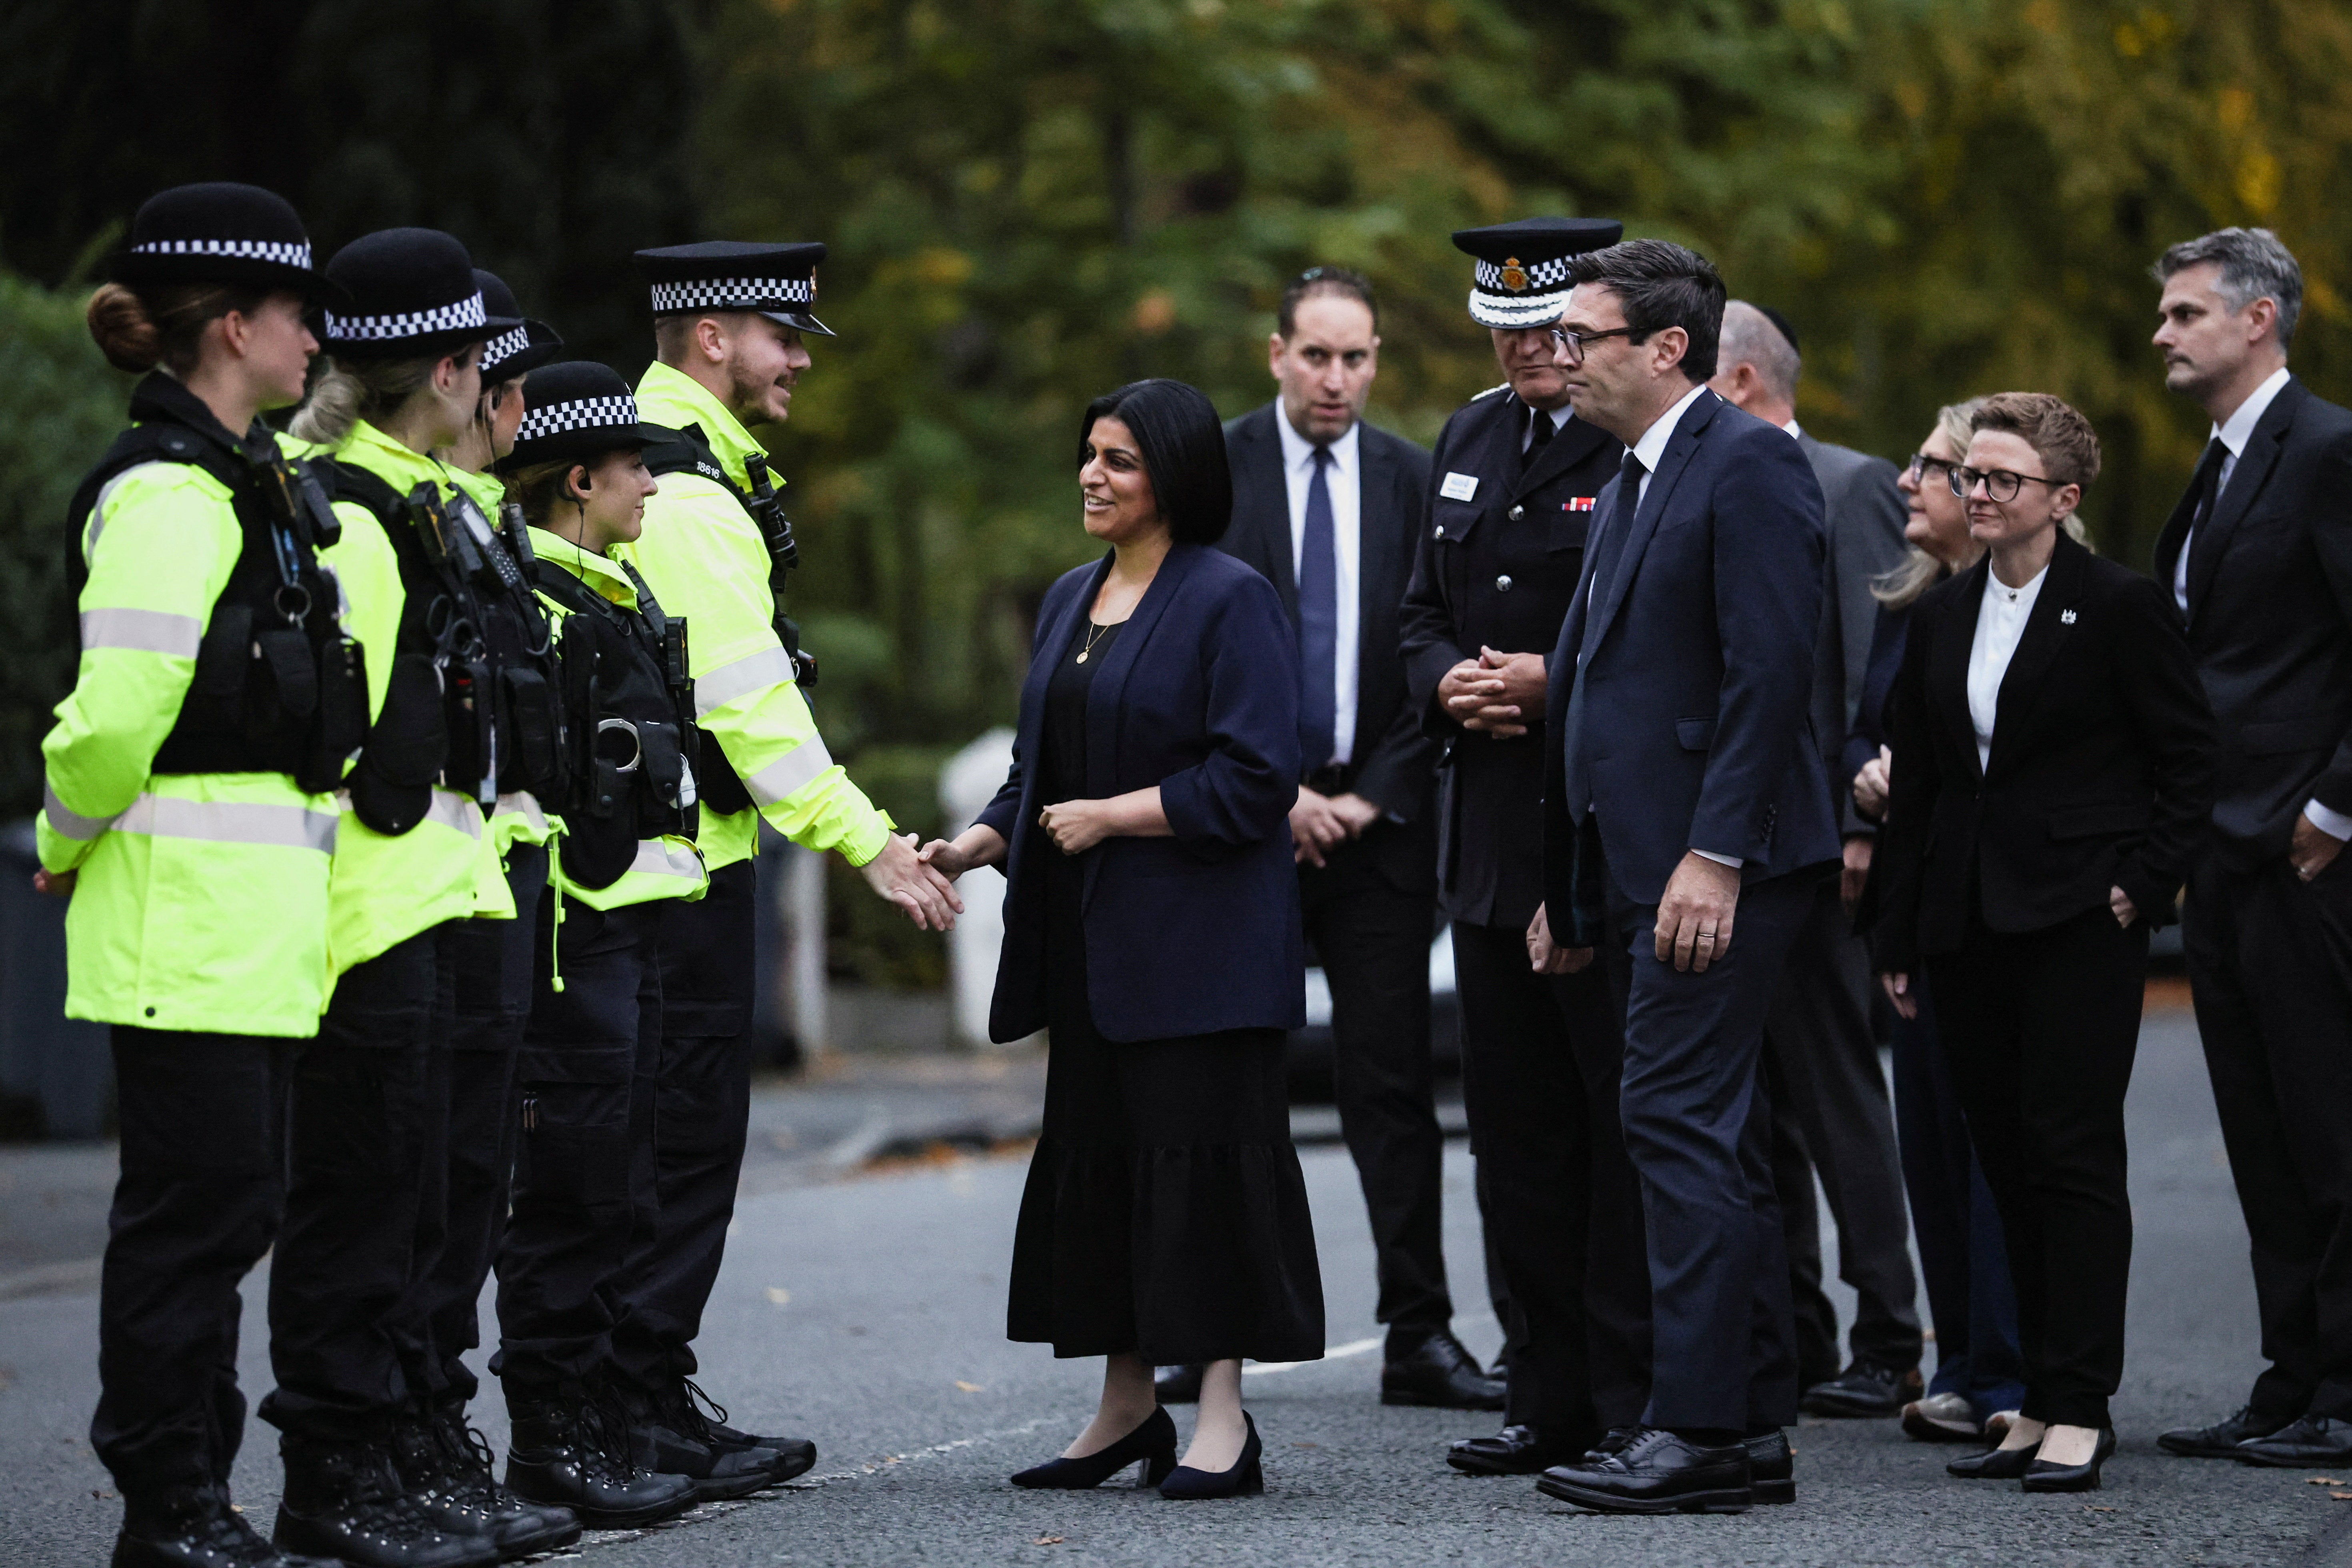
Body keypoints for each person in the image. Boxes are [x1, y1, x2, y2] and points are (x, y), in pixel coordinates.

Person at [920, 378, 1324, 1500]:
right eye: (1089, 453)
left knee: (1201, 1177)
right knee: (1106, 1178)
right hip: (1093, 950)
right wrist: (969, 847)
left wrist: (1117, 817)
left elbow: (1258, 776)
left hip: (1205, 951)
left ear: (1176, 480)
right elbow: (1035, 775)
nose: (1092, 475)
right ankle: (1127, 1408)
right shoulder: (1068, 599)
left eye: (1120, 461)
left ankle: (1225, 1422)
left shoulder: (1230, 599)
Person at [36, 182, 355, 1568]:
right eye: (299, 315)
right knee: (190, 1230)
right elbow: (111, 721)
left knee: (222, 1219)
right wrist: (58, 839)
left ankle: (194, 1503)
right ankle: (170, 1512)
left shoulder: (248, 476)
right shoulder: (168, 492)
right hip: (184, 938)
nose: (315, 340)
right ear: (235, 325)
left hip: (244, 939)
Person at [612, 241, 961, 1481]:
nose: (802, 360)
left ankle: (637, 1403)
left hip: (650, 864)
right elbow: (753, 712)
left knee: (648, 1147)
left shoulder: (653, 461)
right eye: (783, 336)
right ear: (711, 337)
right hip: (680, 875)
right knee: (679, 1147)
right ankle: (633, 1412)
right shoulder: (691, 496)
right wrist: (868, 841)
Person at [268, 227, 559, 1568]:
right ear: (448, 370)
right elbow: (338, 750)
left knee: (432, 1205)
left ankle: (409, 1449)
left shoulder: (421, 498)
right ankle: (343, 1473)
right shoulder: (357, 513)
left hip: (449, 899)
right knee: (366, 1209)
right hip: (371, 917)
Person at [1532, 238, 1834, 1515]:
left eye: (1584, 337)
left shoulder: (1751, 463)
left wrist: (1716, 855)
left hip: (1719, 868)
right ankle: (1752, 1420)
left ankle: (1701, 1431)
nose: (1561, 356)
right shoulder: (1638, 472)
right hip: (1647, 864)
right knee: (1718, 1133)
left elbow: (1772, 678)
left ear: (1666, 349)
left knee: (1677, 1122)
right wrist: (1579, 873)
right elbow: (1610, 683)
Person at [1872, 393, 2215, 1492]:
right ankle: (2023, 1396)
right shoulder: (1941, 615)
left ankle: (2080, 1404)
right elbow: (1920, 788)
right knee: (2004, 1162)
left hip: (2077, 921)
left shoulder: (2119, 608)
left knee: (2071, 1159)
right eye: (1971, 477)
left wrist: (2139, 888)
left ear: (2062, 501)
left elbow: (2189, 760)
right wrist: (1899, 931)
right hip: (1965, 927)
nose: (1978, 495)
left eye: (2002, 481)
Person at [1192, 265, 1491, 1411]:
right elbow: (1185, 644)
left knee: (1391, 1086)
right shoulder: (1215, 471)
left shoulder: (1418, 480)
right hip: (1242, 824)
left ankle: (1419, 1332)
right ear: (1276, 355)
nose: (1336, 378)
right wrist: (1269, 796)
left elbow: (1439, 648)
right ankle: (1208, 1330)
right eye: (1316, 355)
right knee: (1230, 1091)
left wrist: (1372, 793)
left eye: (1356, 357)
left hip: (1378, 826)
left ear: (1377, 361)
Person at [1396, 216, 1650, 1479]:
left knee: (1614, 1130)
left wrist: (1555, 685)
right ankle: (1542, 1394)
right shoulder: (1468, 438)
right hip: (1491, 838)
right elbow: (1419, 615)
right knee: (1515, 1135)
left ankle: (1627, 1400)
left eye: (1547, 333)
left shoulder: (1634, 446)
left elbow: (1649, 635)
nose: (1525, 358)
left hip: (1593, 829)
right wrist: (1447, 680)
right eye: (1503, 336)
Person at [490, 359, 752, 1524]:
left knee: (616, 1192)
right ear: (580, 477)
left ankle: (601, 1423)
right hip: (577, 945)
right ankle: (557, 1439)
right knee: (571, 1196)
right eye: (638, 463)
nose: (656, 481)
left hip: (636, 936)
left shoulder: (608, 590)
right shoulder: (539, 602)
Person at [2145, 229, 2352, 1469]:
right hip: (2219, 856)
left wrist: (2337, 805)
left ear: (2259, 319)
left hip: (2307, 854)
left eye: (2183, 313)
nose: (2163, 334)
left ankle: (2344, 1386)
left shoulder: (2329, 451)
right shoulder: (2217, 467)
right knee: (2263, 1132)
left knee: (2330, 1124)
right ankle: (2291, 1380)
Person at [1707, 300, 1924, 1418]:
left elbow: (1869, 666)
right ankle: (1795, 1330)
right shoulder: (1714, 485)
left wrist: (1861, 827)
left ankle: (1891, 1333)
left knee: (1839, 1092)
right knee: (1756, 1106)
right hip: (1739, 850)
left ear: (1739, 380)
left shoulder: (1850, 484)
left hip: (1827, 847)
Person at [388, 266, 575, 1541]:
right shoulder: (384, 510)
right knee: (392, 1204)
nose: (511, 409)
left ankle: (430, 1439)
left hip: (480, 892)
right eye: (500, 383)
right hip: (400, 904)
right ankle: (385, 1451)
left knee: (460, 1189)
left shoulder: (471, 521)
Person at [1847, 399, 2028, 1446]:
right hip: (1919, 911)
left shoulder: (2061, 610)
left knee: (2002, 1145)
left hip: (2012, 912)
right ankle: (1959, 1362)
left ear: (1991, 492)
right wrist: (1868, 780)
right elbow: (1868, 737)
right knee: (1933, 1145)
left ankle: (2014, 1373)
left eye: (1934, 466)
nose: (1909, 482)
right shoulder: (1908, 609)